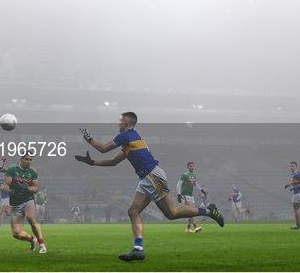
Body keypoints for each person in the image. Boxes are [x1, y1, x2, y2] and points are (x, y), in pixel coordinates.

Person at [75, 112, 224, 261]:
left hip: (152, 176)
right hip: (146, 178)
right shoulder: (130, 141)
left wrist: (89, 138)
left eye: (120, 121)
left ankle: (209, 211)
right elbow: (113, 162)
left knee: (171, 213)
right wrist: (92, 162)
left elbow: (103, 148)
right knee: (133, 211)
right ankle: (138, 249)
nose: (118, 123)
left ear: (126, 122)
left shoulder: (127, 135)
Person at [3, 152, 47, 254]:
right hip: (15, 204)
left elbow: (36, 188)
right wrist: (9, 190)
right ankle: (32, 240)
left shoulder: (33, 171)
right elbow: (6, 185)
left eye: (31, 160)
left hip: (28, 199)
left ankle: (42, 245)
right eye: (26, 159)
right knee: (16, 233)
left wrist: (28, 188)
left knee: (30, 217)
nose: (29, 162)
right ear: (21, 159)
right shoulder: (12, 169)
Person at [176, 162, 206, 233]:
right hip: (184, 195)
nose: (192, 167)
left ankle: (188, 228)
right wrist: (179, 194)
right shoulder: (184, 175)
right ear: (187, 167)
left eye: (192, 166)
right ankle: (196, 227)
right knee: (191, 211)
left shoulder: (194, 175)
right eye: (190, 166)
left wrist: (202, 190)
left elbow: (195, 184)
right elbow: (178, 184)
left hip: (191, 195)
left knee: (191, 212)